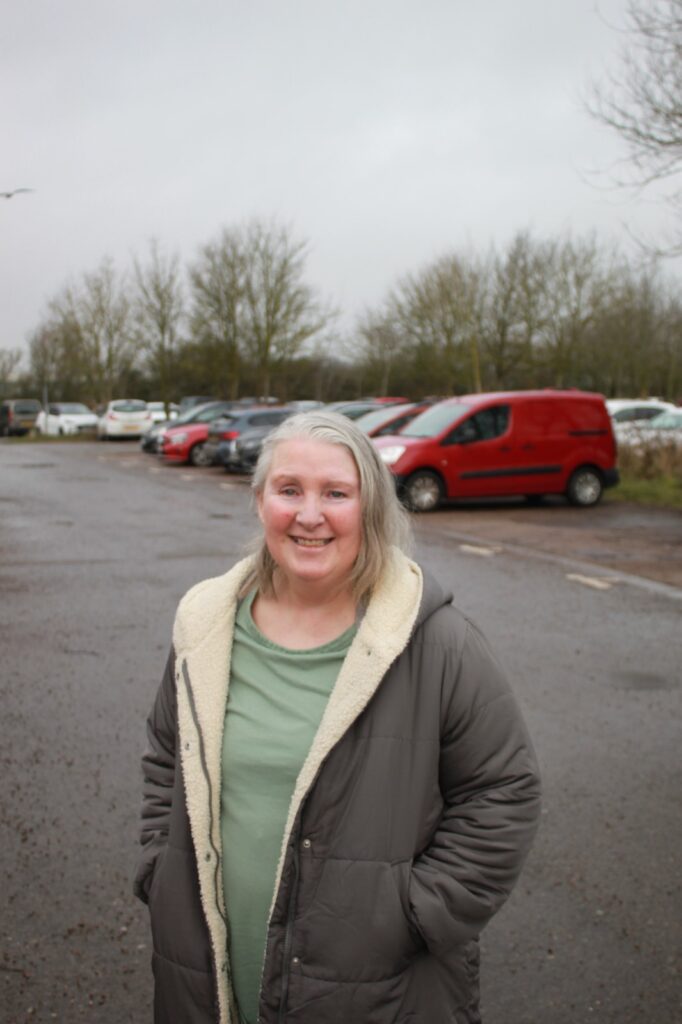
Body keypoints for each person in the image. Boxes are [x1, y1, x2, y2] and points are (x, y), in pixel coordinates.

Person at [134, 410, 541, 1024]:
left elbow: (503, 791)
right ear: (259, 500)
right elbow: (167, 756)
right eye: (289, 490)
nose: (309, 515)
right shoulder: (204, 626)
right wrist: (158, 871)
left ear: (369, 508)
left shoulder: (437, 642)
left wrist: (414, 914)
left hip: (377, 987)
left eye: (336, 494)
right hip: (208, 973)